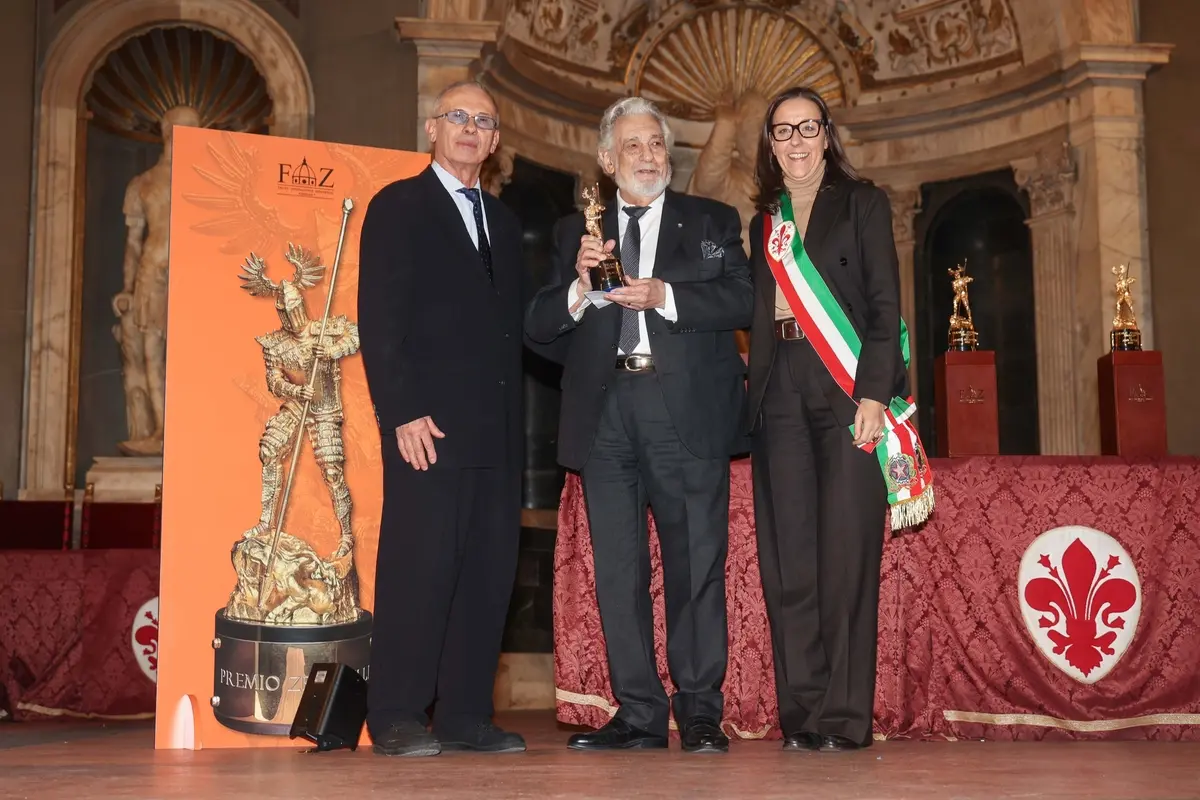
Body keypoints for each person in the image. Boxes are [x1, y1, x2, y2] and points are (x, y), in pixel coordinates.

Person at [525, 96, 754, 753]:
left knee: (696, 564)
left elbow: (745, 298)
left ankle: (700, 711)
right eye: (633, 145)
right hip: (604, 416)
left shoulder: (710, 220)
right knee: (618, 572)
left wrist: (666, 296)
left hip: (685, 411)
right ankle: (638, 712)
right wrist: (578, 289)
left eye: (657, 143)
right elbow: (537, 328)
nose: (649, 156)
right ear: (607, 160)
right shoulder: (575, 233)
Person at [744, 86, 933, 753]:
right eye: (782, 131)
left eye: (807, 128)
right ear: (770, 144)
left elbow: (884, 305)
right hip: (778, 390)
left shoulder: (863, 203)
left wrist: (875, 394)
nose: (795, 141)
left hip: (848, 390)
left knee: (846, 556)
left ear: (827, 135)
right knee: (789, 562)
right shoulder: (763, 224)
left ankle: (845, 716)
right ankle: (803, 713)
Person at [357, 80, 527, 757]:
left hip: (496, 429)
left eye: (483, 121)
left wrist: (580, 296)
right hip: (426, 427)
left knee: (487, 573)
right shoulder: (398, 205)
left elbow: (514, 329)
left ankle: (464, 715)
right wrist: (401, 411)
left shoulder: (505, 223)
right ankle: (396, 712)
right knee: (418, 569)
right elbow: (379, 319)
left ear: (494, 141)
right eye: (458, 116)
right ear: (433, 127)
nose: (470, 128)